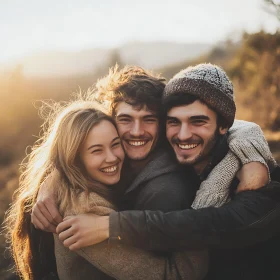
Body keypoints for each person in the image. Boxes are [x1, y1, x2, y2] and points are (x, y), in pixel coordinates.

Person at [32, 65, 277, 279]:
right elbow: (81, 133)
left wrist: (111, 227)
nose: (183, 134)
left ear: (224, 125)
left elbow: (207, 224)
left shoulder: (257, 185)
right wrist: (57, 174)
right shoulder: (134, 153)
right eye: (174, 122)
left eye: (198, 122)